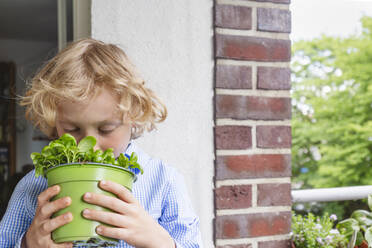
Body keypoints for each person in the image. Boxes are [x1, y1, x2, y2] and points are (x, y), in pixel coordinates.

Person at [0, 38, 202, 248]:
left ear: (133, 115)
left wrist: (162, 243)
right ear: (55, 122)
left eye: (106, 129)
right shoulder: (33, 187)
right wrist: (27, 244)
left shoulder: (164, 183)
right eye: (72, 129)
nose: (90, 145)